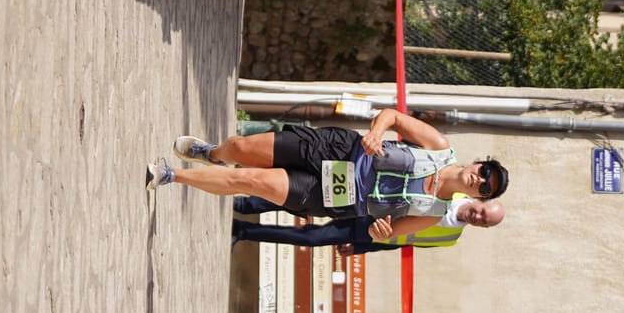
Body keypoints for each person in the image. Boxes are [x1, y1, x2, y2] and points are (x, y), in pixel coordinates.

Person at [146, 109, 507, 242]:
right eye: (485, 172)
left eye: (486, 188)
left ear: (479, 197)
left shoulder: (430, 215)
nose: (481, 180)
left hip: (337, 195)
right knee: (240, 149)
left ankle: (171, 176)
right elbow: (392, 117)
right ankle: (212, 154)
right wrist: (376, 133)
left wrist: (380, 230)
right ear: (479, 163)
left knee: (252, 182)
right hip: (336, 149)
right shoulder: (439, 146)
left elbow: (387, 232)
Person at [231, 196, 504, 254]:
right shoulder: (452, 189)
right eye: (481, 212)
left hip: (368, 232)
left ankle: (242, 230)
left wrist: (360, 248)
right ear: (481, 200)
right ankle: (247, 204)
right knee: (303, 201)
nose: (477, 218)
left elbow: (399, 244)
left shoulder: (450, 237)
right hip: (369, 203)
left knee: (310, 238)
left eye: (483, 222)